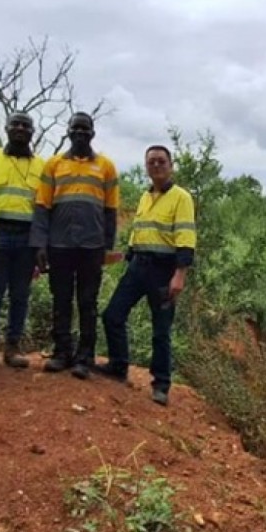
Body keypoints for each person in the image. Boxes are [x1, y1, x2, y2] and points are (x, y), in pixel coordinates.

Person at [99, 145, 195, 406]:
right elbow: (139, 230)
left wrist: (180, 275)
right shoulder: (145, 196)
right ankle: (118, 366)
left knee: (161, 329)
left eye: (161, 161)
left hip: (164, 271)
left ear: (171, 165)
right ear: (146, 166)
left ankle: (161, 384)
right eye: (151, 162)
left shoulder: (181, 197)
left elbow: (186, 237)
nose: (156, 166)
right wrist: (127, 254)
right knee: (112, 315)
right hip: (137, 267)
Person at [30, 112, 121, 380]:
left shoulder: (106, 166)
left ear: (93, 133)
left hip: (92, 246)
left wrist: (107, 246)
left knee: (87, 301)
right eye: (76, 128)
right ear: (68, 131)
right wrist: (40, 244)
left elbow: (111, 210)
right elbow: (42, 206)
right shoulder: (54, 164)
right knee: (61, 299)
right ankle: (62, 353)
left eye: (85, 129)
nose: (80, 133)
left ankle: (85, 357)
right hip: (59, 244)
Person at [0, 112, 40, 371]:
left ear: (32, 131)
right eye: (16, 124)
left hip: (27, 237)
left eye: (26, 125)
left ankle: (13, 347)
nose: (20, 128)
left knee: (20, 296)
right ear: (6, 128)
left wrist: (40, 245)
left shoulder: (41, 166)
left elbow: (44, 207)